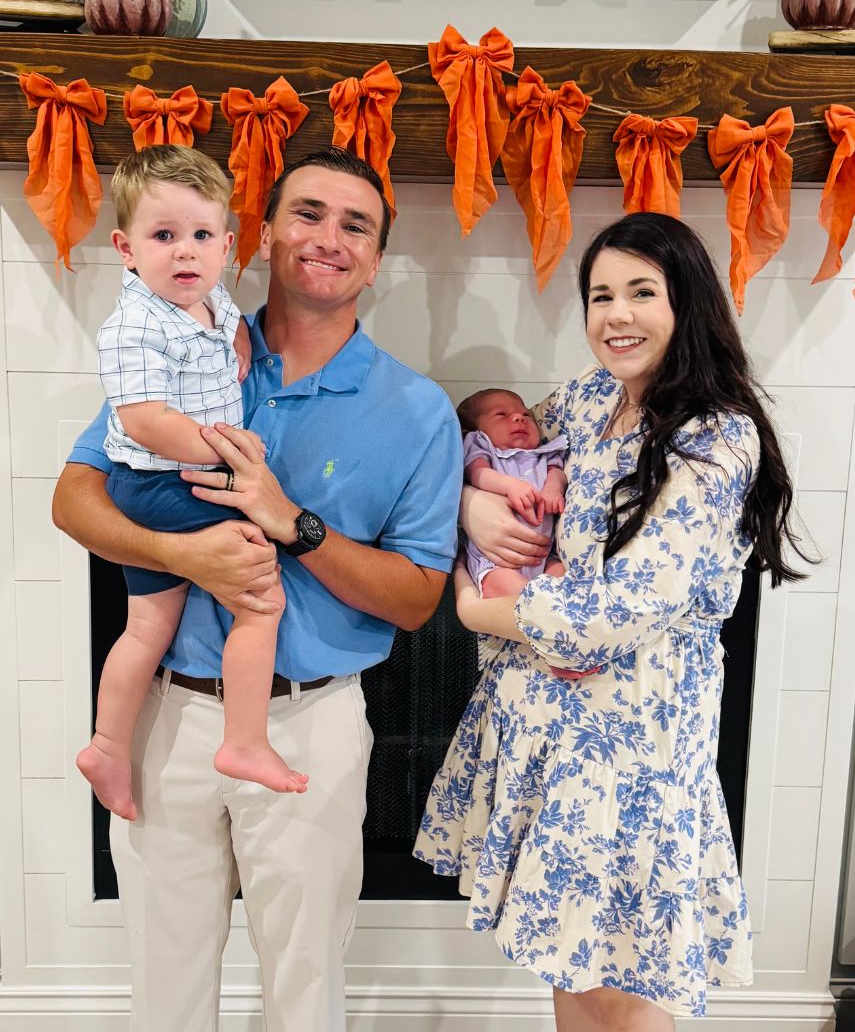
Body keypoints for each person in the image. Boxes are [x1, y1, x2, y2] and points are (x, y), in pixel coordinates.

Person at [52, 147, 463, 1032]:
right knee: (164, 989)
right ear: (263, 234)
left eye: (356, 224)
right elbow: (74, 498)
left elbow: (418, 599)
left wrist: (293, 524)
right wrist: (187, 556)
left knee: (304, 988)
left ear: (377, 259)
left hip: (310, 726)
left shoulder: (417, 409)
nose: (328, 237)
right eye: (307, 213)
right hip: (170, 717)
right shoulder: (183, 343)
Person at [415, 212, 809, 1031]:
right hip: (550, 733)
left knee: (625, 976)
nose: (615, 315)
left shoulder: (716, 435)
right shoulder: (591, 397)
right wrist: (468, 504)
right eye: (599, 295)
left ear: (687, 302)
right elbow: (494, 454)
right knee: (569, 955)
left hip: (637, 742)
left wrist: (476, 605)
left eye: (640, 292)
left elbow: (623, 609)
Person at [76, 145, 307, 822]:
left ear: (227, 245)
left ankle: (107, 745)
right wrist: (229, 454)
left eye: (202, 237)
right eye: (163, 237)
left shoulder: (203, 296)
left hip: (170, 479)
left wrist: (235, 335)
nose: (185, 253)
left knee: (147, 624)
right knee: (262, 597)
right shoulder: (131, 326)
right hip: (161, 482)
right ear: (125, 248)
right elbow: (145, 421)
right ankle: (244, 739)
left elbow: (225, 313)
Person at [457, 388, 566, 599]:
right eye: (501, 415)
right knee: (516, 594)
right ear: (476, 430)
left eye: (526, 415)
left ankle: (550, 615)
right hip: (496, 561)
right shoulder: (483, 447)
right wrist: (509, 486)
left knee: (562, 583)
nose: (519, 418)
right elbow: (477, 473)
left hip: (543, 557)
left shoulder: (543, 455)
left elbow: (557, 473)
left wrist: (553, 488)